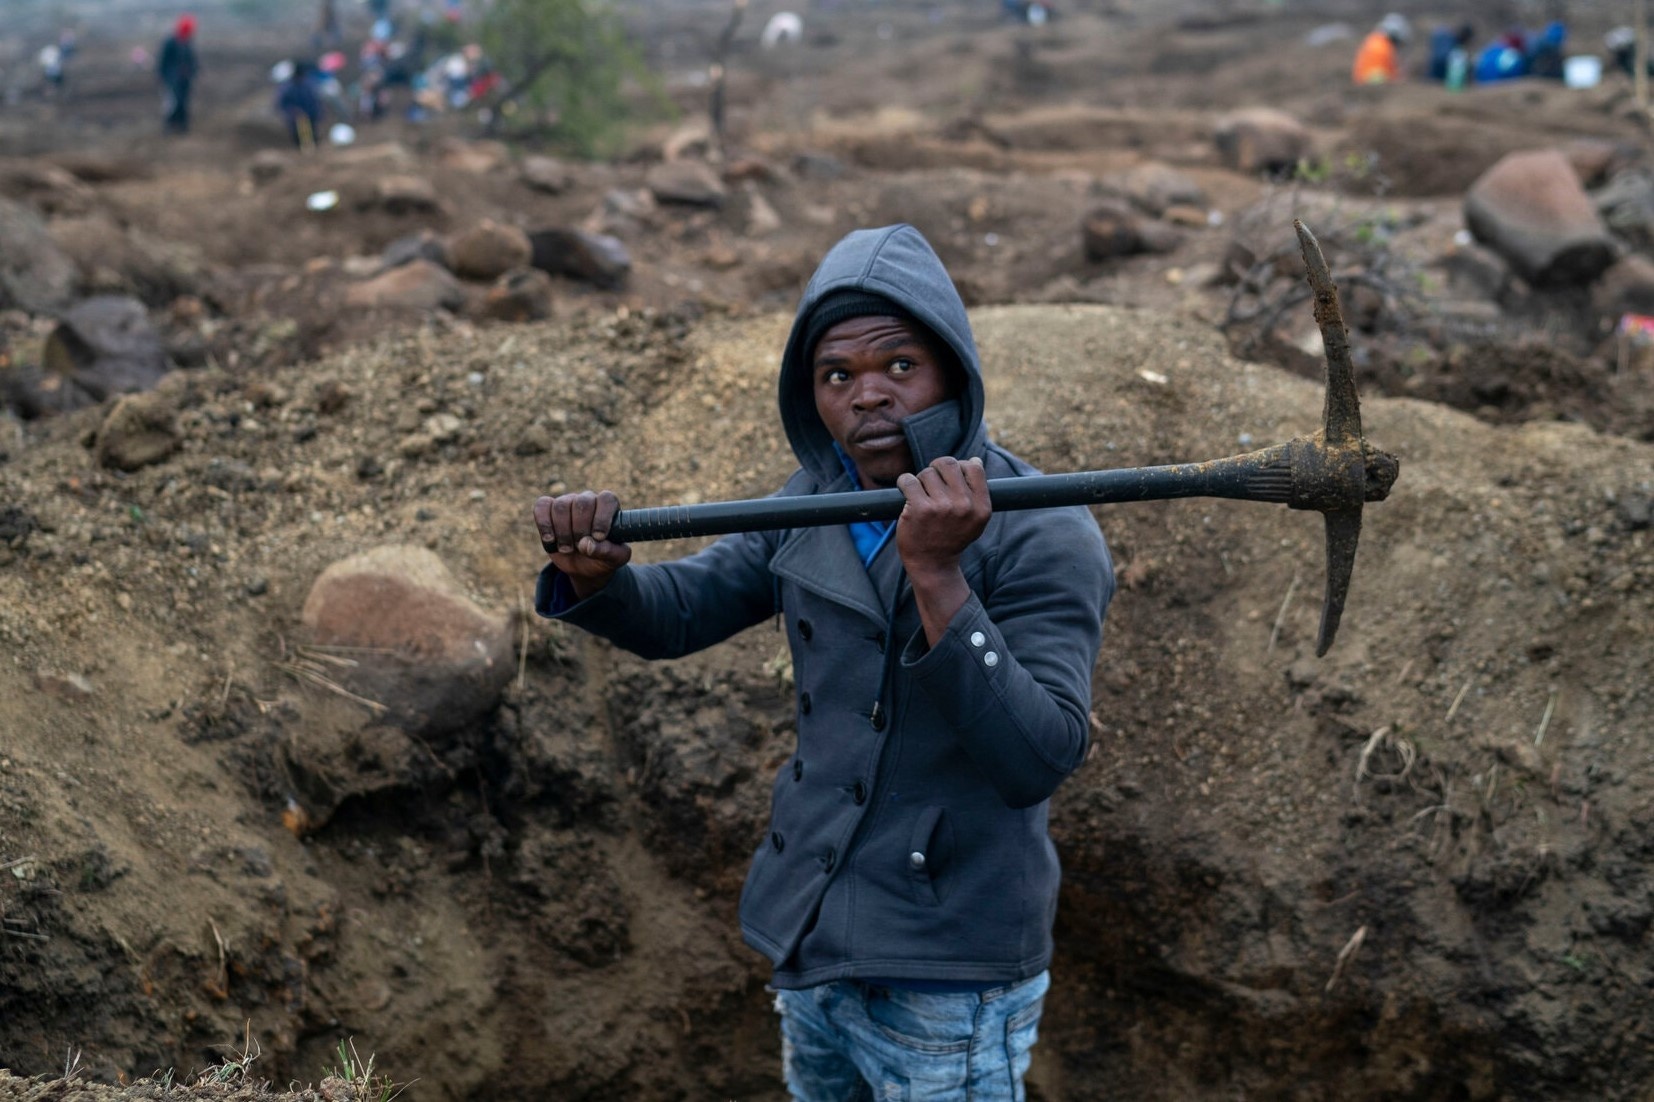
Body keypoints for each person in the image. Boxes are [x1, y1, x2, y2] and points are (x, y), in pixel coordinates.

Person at [531, 223, 1115, 1100]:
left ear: (954, 369)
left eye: (900, 367)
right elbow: (684, 611)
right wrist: (595, 577)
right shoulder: (816, 500)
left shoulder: (1045, 533)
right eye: (837, 375)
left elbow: (1037, 757)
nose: (867, 397)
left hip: (948, 970)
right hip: (814, 936)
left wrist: (937, 574)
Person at [157, 13, 199, 134]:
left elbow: (192, 60)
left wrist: (192, 72)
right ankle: (170, 126)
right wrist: (164, 77)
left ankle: (182, 126)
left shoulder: (187, 43)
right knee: (172, 103)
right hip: (172, 79)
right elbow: (163, 62)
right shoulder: (170, 43)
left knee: (184, 102)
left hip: (184, 80)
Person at [274, 59, 324, 149]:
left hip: (310, 115)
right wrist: (293, 111)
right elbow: (283, 103)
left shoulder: (308, 84)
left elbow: (315, 101)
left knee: (312, 135)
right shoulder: (288, 88)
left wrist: (316, 113)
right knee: (297, 138)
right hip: (295, 118)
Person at [1352, 13, 1410, 85]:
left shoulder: (1374, 39)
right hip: (1371, 81)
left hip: (1361, 78)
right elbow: (1386, 71)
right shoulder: (1384, 47)